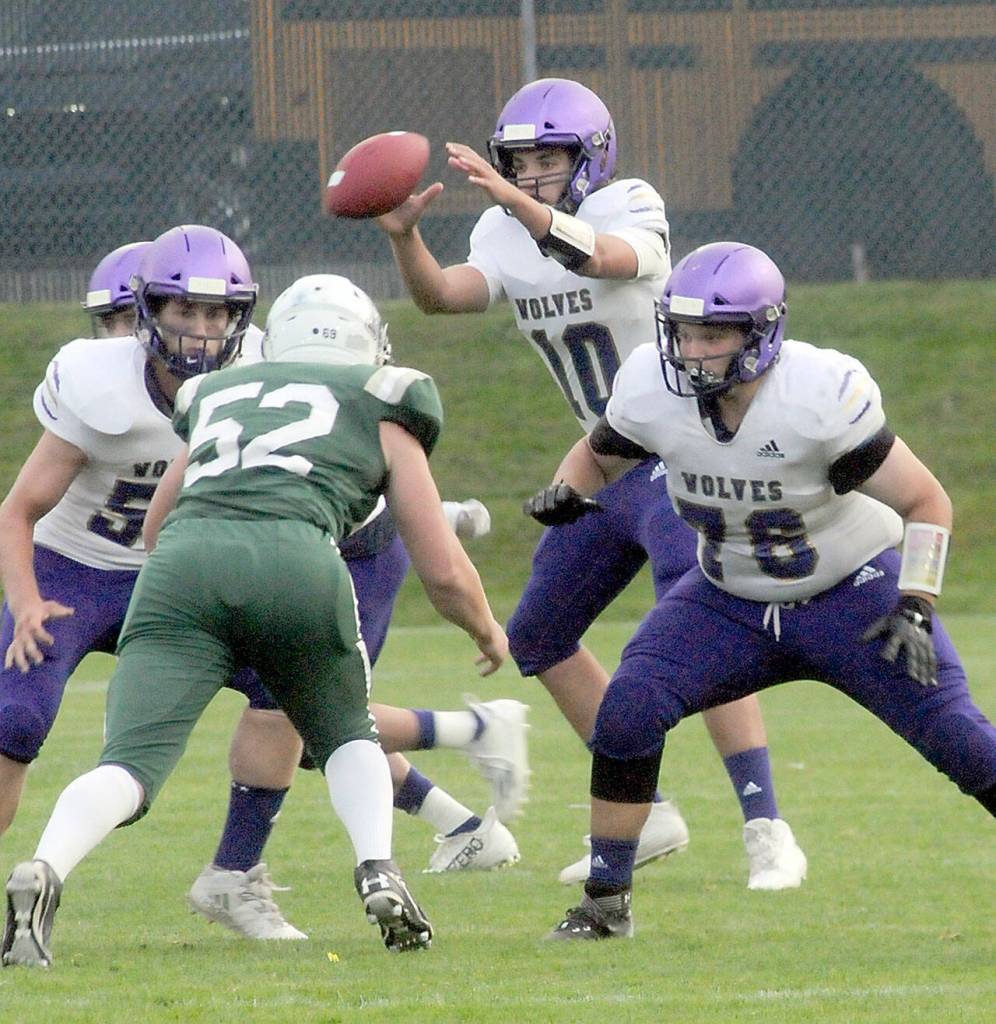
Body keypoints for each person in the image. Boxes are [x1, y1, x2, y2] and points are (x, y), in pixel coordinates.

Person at [0, 231, 523, 942]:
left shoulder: (238, 381)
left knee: (192, 740)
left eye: (218, 314)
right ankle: (382, 858)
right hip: (91, 568)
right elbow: (418, 543)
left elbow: (163, 526)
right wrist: (483, 620)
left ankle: (124, 870)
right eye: (181, 310)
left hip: (172, 567)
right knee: (340, 725)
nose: (200, 330)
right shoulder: (356, 393)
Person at [377, 76, 805, 888]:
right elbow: (443, 298)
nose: (531, 173)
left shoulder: (630, 204)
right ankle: (649, 813)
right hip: (604, 463)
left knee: (706, 628)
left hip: (683, 453)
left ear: (592, 156)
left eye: (549, 156)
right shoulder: (504, 230)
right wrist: (404, 238)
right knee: (538, 633)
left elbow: (599, 257)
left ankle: (765, 826)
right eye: (520, 160)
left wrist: (518, 202)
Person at [525, 240, 996, 940]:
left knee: (961, 742)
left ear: (760, 332)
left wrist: (917, 601)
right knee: (629, 709)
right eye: (682, 331)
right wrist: (570, 489)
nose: (692, 349)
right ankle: (604, 902)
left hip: (853, 594)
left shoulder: (818, 396)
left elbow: (927, 501)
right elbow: (600, 451)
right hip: (728, 595)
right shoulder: (652, 388)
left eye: (712, 333)